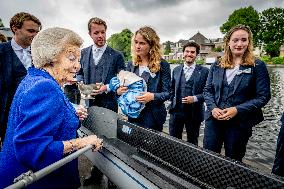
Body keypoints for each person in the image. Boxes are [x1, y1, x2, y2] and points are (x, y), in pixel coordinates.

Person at [0, 27, 103, 189]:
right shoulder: (45, 87)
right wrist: (84, 142)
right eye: (71, 58)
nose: (77, 66)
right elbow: (32, 150)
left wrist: (69, 112)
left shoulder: (34, 78)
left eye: (78, 59)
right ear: (50, 57)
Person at [203, 24, 271, 161]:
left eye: (244, 40)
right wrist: (213, 108)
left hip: (239, 123)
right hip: (214, 121)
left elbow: (263, 96)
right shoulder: (217, 64)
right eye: (235, 40)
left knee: (234, 160)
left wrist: (237, 110)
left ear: (249, 42)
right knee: (209, 156)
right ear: (228, 42)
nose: (239, 44)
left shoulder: (257, 65)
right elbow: (207, 90)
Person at [118, 26, 171, 132]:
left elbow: (169, 93)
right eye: (136, 42)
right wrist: (120, 91)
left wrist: (152, 96)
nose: (137, 46)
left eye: (142, 43)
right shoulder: (131, 64)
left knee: (151, 147)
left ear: (151, 45)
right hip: (133, 115)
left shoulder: (163, 65)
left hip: (153, 117)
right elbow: (124, 89)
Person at [0, 12, 41, 144]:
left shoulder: (40, 55)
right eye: (30, 31)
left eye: (37, 31)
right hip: (6, 116)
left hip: (34, 115)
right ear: (14, 28)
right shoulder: (1, 51)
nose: (35, 35)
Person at [77, 17, 125, 112]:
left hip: (109, 105)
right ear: (90, 34)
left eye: (103, 32)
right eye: (96, 33)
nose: (100, 35)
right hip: (88, 105)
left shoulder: (117, 55)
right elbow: (79, 73)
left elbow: (122, 79)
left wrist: (107, 87)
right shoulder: (83, 53)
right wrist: (81, 83)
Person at [168, 42, 209, 145]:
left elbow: (209, 93)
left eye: (192, 52)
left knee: (192, 141)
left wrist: (195, 98)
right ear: (183, 53)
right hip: (176, 111)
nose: (189, 54)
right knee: (173, 140)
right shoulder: (176, 70)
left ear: (196, 54)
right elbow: (172, 88)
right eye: (187, 51)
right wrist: (172, 100)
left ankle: (190, 160)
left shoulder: (204, 71)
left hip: (194, 114)